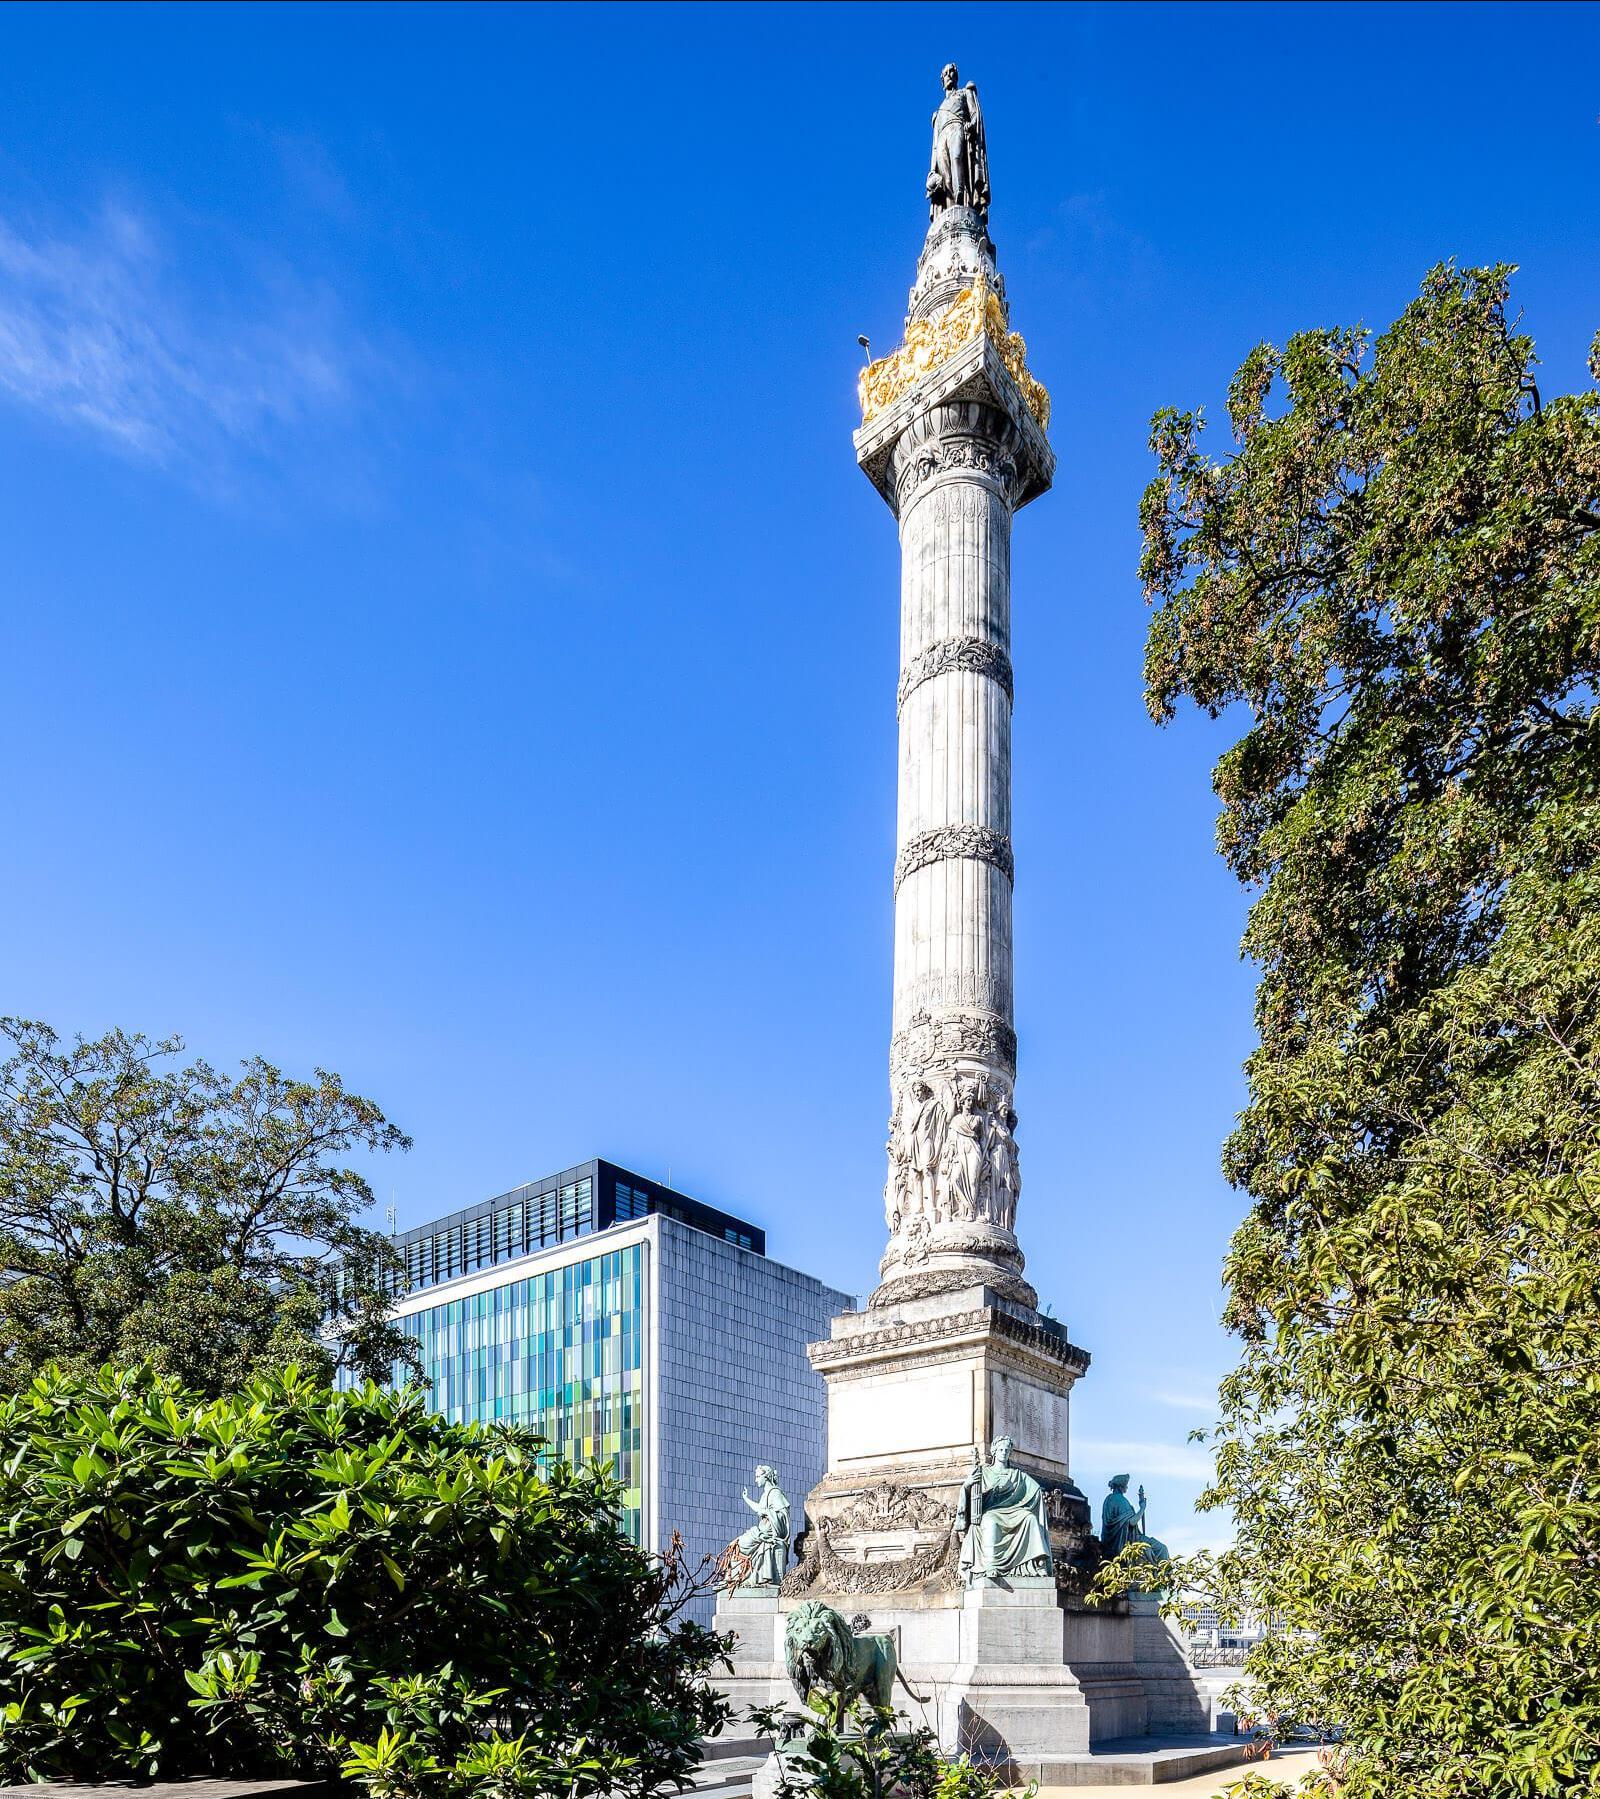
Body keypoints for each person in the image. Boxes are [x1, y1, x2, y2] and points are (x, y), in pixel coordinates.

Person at [954, 1437, 1052, 1584]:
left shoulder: (1017, 1475)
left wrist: (1041, 1494)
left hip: (1013, 1511)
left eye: (1007, 1450)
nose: (1004, 1452)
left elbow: (1035, 1488)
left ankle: (1037, 1563)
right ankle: (991, 1565)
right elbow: (970, 1493)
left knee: (1030, 1519)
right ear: (994, 1451)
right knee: (991, 1522)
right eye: (1001, 1449)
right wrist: (967, 1485)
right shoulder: (983, 1472)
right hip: (991, 1511)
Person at [926, 63, 990, 217]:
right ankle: (950, 209)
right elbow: (934, 144)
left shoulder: (964, 93)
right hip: (942, 137)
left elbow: (975, 114)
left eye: (951, 72)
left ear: (956, 76)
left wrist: (971, 124)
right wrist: (932, 170)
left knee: (957, 158)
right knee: (945, 176)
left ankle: (962, 198)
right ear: (942, 81)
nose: (948, 75)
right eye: (945, 73)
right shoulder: (938, 111)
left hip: (958, 127)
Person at [1101, 1474, 1170, 1571]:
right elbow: (1132, 1522)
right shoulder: (1119, 1500)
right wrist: (1142, 1508)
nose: (1127, 1487)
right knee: (1161, 1549)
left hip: (1127, 1537)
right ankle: (1164, 1580)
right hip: (1127, 1540)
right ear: (1121, 1486)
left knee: (1159, 1548)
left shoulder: (1109, 1499)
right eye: (1126, 1485)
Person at [736, 1464, 791, 1587]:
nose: (756, 1480)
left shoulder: (775, 1493)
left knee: (740, 1544)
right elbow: (759, 1509)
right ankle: (741, 1577)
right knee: (737, 1545)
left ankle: (749, 1577)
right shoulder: (765, 1494)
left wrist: (767, 1512)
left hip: (769, 1532)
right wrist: (746, 1499)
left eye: (757, 1477)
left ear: (766, 1477)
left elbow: (783, 1516)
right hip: (761, 1530)